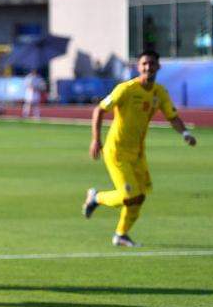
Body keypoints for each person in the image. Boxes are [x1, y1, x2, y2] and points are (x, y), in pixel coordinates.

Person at [82, 50, 197, 246]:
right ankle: (96, 198)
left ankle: (121, 235)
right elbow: (100, 109)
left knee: (139, 197)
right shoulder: (126, 89)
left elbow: (172, 116)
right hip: (116, 150)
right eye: (144, 64)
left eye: (152, 64)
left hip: (137, 153)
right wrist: (96, 139)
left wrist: (185, 134)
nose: (148, 67)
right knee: (130, 195)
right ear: (138, 67)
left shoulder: (159, 92)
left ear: (158, 67)